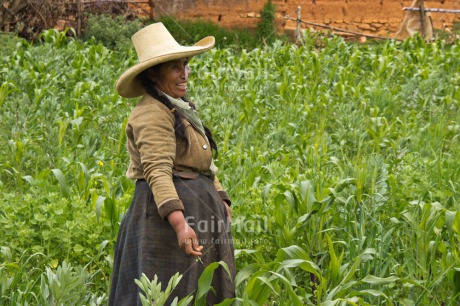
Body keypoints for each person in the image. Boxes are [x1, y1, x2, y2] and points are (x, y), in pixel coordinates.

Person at [109, 22, 236, 305]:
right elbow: (157, 172)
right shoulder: (152, 113)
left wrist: (220, 195)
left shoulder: (178, 107)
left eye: (186, 65)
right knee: (168, 291)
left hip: (198, 211)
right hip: (164, 220)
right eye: (175, 67)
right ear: (154, 75)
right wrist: (180, 225)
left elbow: (201, 162)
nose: (185, 73)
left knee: (201, 289)